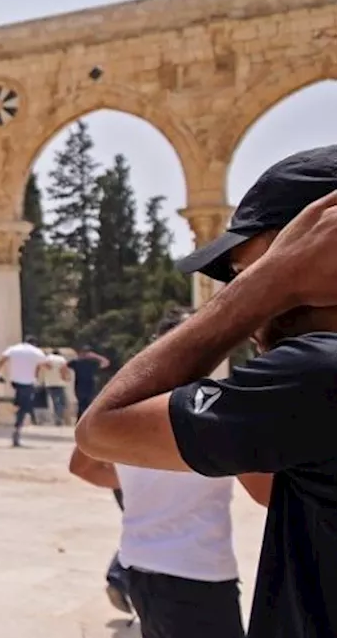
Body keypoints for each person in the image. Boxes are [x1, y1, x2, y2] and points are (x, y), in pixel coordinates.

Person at [76, 145, 338, 637]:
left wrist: (267, 287)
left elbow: (102, 427)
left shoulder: (318, 372)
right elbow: (270, 491)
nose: (244, 290)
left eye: (249, 273)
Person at [70, 307, 273, 637]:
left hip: (140, 570)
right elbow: (265, 492)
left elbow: (82, 465)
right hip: (198, 575)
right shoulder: (217, 413)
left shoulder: (127, 411)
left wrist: (141, 484)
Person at [0, 336, 48, 447]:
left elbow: (1, 361)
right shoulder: (37, 352)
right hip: (28, 382)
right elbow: (46, 365)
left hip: (15, 381)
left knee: (22, 402)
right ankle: (17, 429)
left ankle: (17, 409)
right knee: (25, 407)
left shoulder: (14, 349)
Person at [68, 346, 110, 422]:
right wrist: (96, 356)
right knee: (83, 404)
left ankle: (82, 421)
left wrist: (95, 356)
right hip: (83, 386)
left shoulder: (91, 362)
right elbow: (106, 362)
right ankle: (82, 421)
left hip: (85, 386)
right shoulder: (78, 362)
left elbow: (106, 363)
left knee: (85, 404)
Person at [41, 349, 72, 426]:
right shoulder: (61, 359)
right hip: (59, 383)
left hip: (49, 383)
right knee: (62, 402)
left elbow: (43, 366)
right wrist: (65, 377)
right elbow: (64, 369)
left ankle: (57, 418)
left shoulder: (47, 358)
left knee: (55, 401)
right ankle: (58, 418)